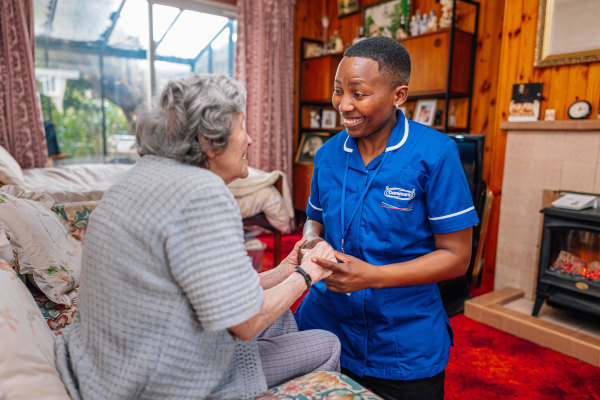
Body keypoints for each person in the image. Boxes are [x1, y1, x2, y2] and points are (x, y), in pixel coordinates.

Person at [54, 74, 340, 400]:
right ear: (208, 140)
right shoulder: (202, 193)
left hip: (107, 364)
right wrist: (307, 274)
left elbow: (215, 289)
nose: (250, 140)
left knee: (282, 315)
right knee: (326, 343)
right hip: (153, 382)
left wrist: (284, 271)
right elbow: (245, 323)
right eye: (242, 126)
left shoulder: (142, 173)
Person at [294, 36, 479, 400]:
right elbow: (313, 219)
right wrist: (312, 239)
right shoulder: (328, 154)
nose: (343, 105)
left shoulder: (435, 153)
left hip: (402, 343)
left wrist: (374, 277)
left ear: (399, 95)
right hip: (325, 329)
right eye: (338, 91)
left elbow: (457, 257)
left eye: (358, 94)